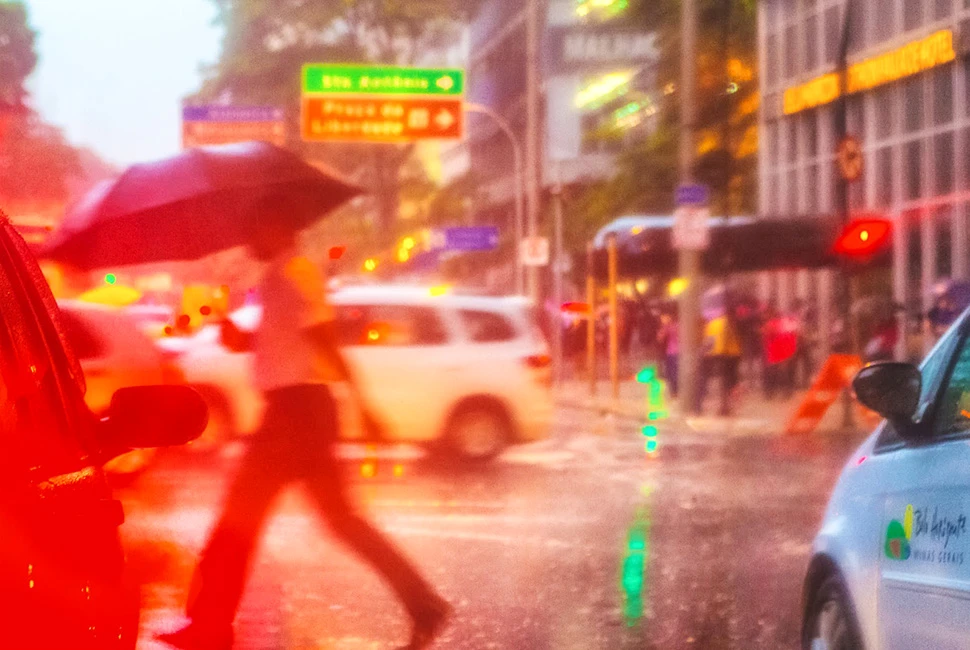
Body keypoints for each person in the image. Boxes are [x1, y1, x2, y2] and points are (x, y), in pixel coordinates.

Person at [159, 209, 450, 650]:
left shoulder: (297, 272)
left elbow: (323, 341)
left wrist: (362, 401)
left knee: (237, 522)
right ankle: (424, 604)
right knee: (339, 521)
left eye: (253, 225)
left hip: (295, 416)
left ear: (278, 225)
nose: (247, 236)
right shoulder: (279, 275)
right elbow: (283, 341)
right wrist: (240, 337)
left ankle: (210, 624)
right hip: (294, 413)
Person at [657, 309, 679, 398]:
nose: (662, 319)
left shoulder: (669, 326)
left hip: (672, 352)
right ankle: (675, 392)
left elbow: (660, 338)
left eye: (663, 317)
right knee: (674, 373)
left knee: (671, 373)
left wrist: (664, 326)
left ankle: (674, 392)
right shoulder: (679, 324)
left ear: (669, 317)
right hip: (678, 352)